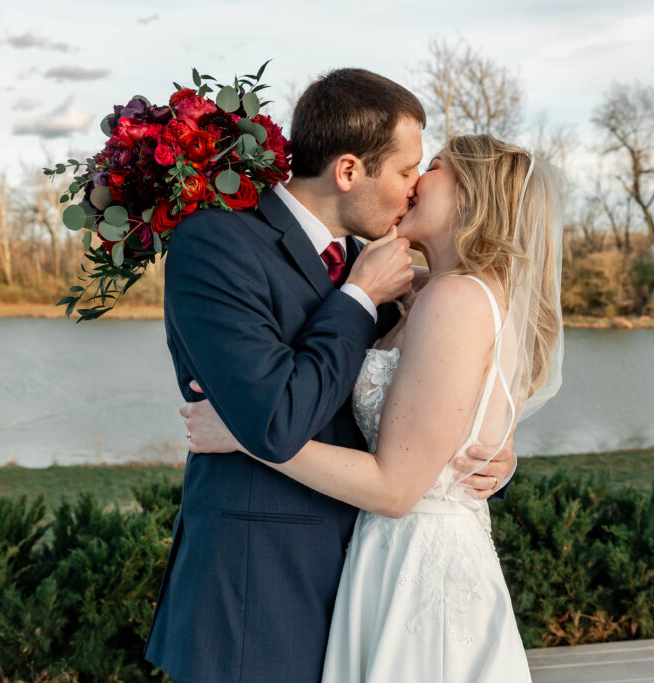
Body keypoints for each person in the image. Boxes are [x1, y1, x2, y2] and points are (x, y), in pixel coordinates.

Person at [143, 69, 517, 683]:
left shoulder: (373, 270)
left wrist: (486, 458)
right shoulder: (216, 245)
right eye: (405, 171)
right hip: (259, 598)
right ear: (349, 171)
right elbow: (275, 420)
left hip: (376, 591)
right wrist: (357, 299)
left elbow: (422, 401)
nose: (412, 189)